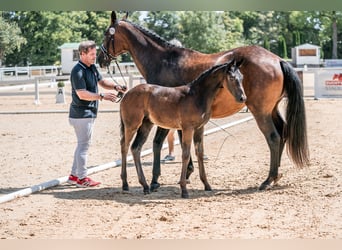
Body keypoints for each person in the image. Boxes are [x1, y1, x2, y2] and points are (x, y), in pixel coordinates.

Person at [67, 40, 126, 187]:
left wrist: (116, 86)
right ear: (82, 54)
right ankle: (82, 178)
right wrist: (101, 96)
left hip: (86, 114)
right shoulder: (77, 71)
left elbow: (102, 82)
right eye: (92, 54)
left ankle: (74, 176)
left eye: (95, 54)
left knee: (81, 145)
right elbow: (81, 94)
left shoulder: (91, 67)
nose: (95, 57)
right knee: (83, 147)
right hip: (81, 114)